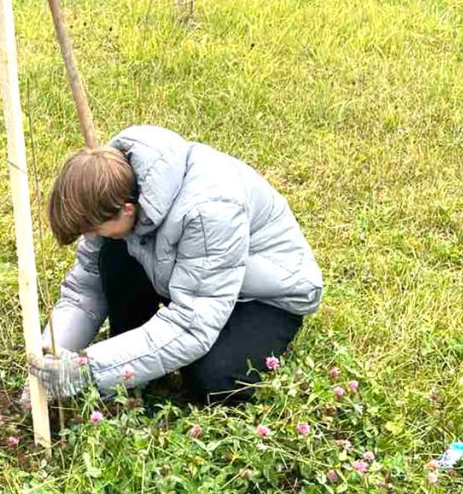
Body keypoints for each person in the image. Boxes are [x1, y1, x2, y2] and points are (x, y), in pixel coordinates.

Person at [28, 125, 323, 405]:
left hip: (265, 295)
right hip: (196, 275)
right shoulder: (112, 190)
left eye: (94, 229)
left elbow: (192, 325)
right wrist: (49, 355)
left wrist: (89, 371)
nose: (91, 237)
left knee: (213, 379)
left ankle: (127, 365)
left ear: (128, 210)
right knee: (113, 253)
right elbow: (84, 291)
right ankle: (128, 366)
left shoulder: (208, 212)